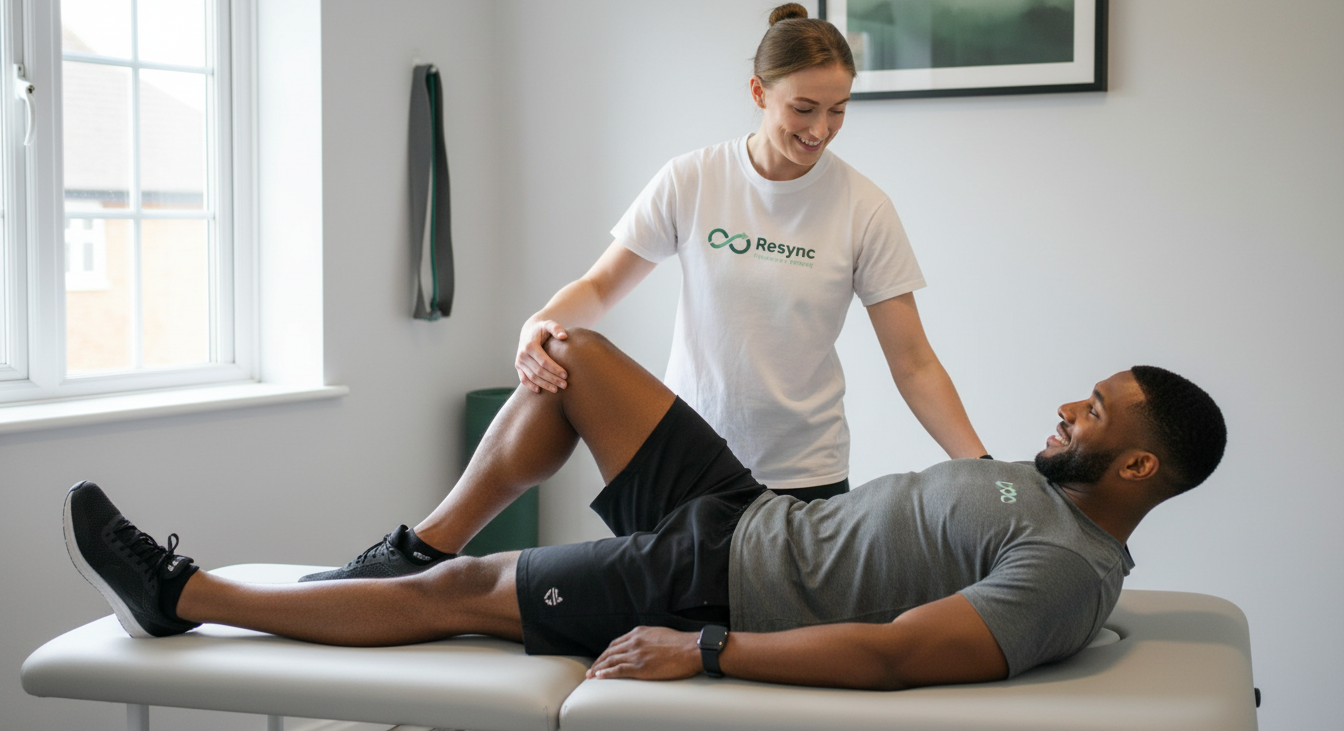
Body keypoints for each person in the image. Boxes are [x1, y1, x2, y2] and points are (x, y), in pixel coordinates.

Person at [64, 329, 1226, 690]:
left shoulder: (1069, 571)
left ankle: (183, 593)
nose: (1068, 408)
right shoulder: (1045, 487)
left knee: (462, 597)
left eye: (1094, 412)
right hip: (748, 513)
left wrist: (708, 649)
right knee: (573, 359)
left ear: (1138, 468)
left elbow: (900, 653)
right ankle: (413, 541)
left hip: (721, 583)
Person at [302, 2, 988, 582]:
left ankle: (422, 555)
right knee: (564, 349)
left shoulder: (863, 207)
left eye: (838, 111)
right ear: (758, 93)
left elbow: (914, 364)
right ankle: (422, 552)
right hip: (684, 464)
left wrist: (986, 471)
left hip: (801, 483)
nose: (820, 130)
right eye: (803, 108)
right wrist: (538, 323)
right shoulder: (694, 179)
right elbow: (602, 285)